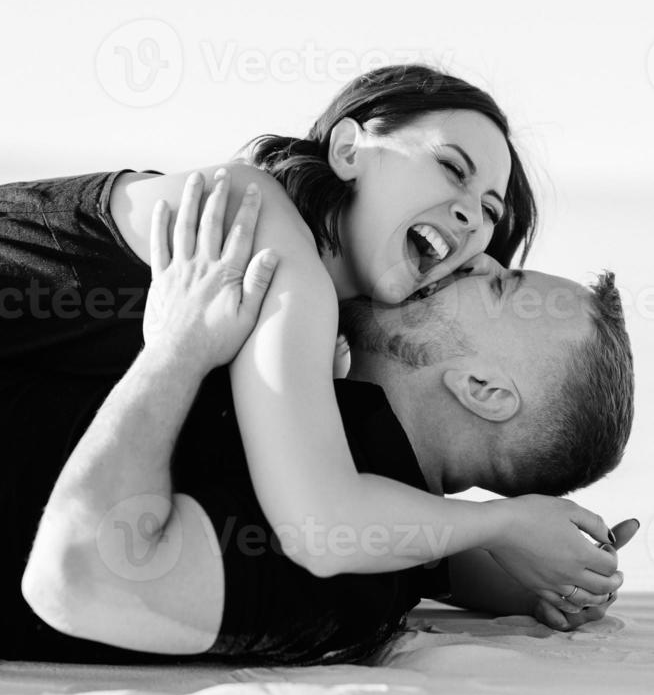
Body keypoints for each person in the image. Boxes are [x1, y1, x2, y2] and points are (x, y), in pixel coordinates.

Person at [16, 175, 633, 665]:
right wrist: (518, 556)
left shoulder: (345, 578)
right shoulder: (322, 406)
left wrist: (176, 351)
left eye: (502, 287)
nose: (478, 259)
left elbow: (81, 575)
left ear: (482, 390)